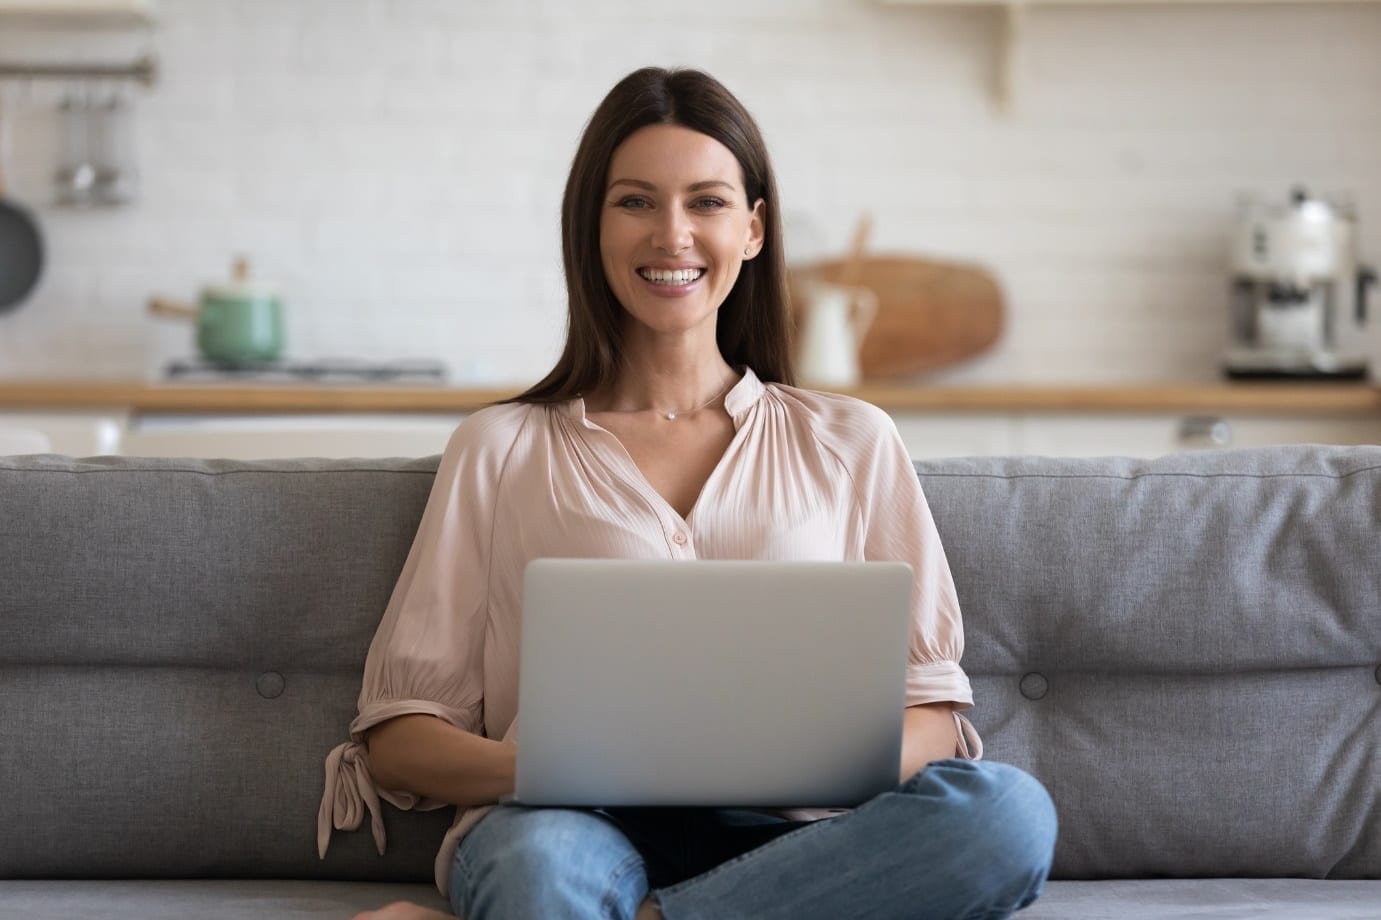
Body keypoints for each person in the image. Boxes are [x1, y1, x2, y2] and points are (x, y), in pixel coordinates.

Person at [319, 66, 1058, 920]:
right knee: (539, 873)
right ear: (591, 228)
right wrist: (566, 767)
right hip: (568, 825)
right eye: (635, 202)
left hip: (804, 841)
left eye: (705, 202)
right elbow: (400, 742)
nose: (671, 235)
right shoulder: (502, 447)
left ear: (752, 229)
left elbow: (929, 721)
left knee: (1006, 814)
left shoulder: (851, 440)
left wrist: (784, 763)